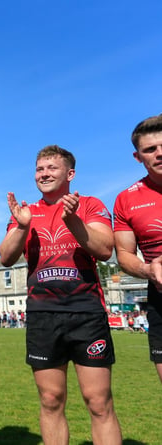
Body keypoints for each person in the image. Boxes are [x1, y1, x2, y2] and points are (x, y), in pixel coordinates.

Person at [0, 145, 122, 445]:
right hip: (43, 315)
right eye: (40, 169)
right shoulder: (27, 212)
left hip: (86, 312)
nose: (44, 174)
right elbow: (5, 257)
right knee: (51, 400)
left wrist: (73, 221)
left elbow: (105, 250)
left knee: (98, 402)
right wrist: (22, 227)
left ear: (70, 173)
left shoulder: (89, 204)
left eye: (52, 168)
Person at [113, 113, 162, 383]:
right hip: (159, 297)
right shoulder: (126, 199)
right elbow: (124, 255)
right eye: (150, 149)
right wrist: (148, 269)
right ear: (138, 157)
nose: (159, 154)